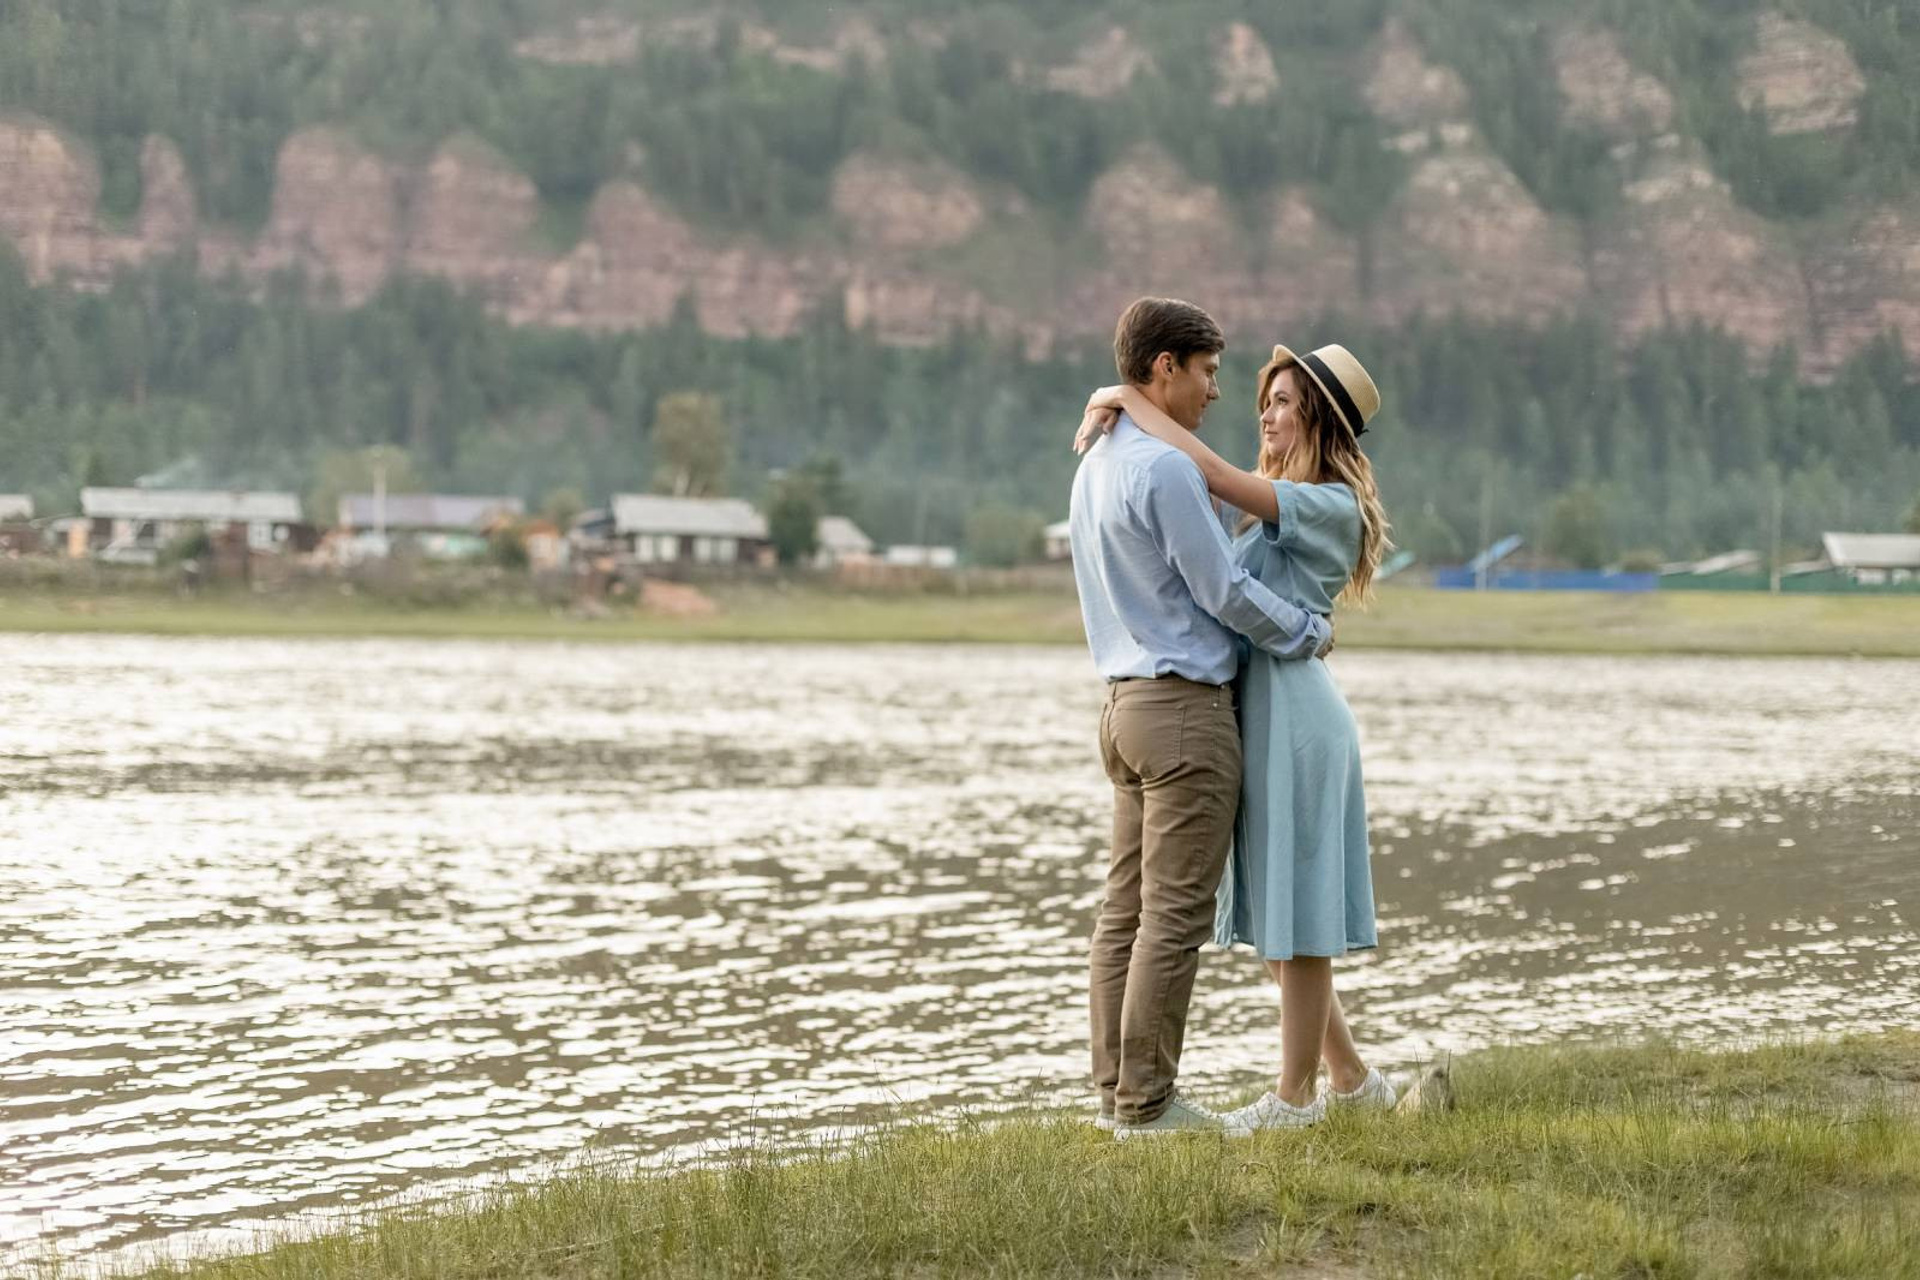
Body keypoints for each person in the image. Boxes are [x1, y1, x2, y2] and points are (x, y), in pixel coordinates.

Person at [1075, 340, 1396, 1130]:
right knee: (1279, 915)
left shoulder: (1325, 502)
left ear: (1318, 419)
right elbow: (1197, 504)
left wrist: (1126, 396)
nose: (1266, 411)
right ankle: (1353, 1083)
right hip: (1259, 712)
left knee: (1302, 918)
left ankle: (1296, 1099)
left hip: (1296, 719)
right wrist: (1124, 400)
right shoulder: (1278, 494)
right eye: (1269, 397)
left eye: (1285, 401)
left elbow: (1209, 475)